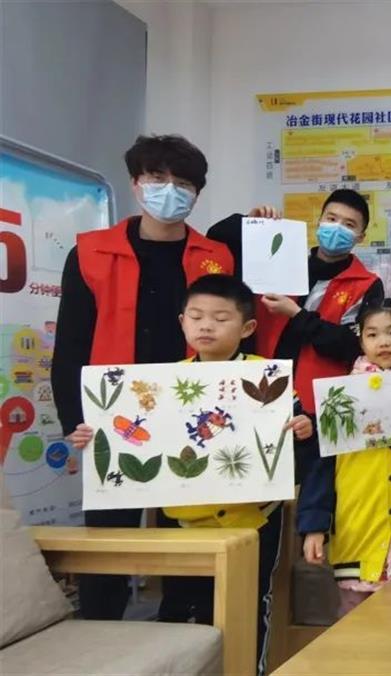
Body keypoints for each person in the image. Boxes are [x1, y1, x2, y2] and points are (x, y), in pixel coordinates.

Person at [67, 275, 313, 675]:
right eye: (196, 317)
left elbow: (300, 449)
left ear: (247, 328)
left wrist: (303, 430)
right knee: (179, 609)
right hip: (181, 523)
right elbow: (134, 436)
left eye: (220, 318)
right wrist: (95, 435)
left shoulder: (269, 378)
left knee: (248, 609)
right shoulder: (158, 383)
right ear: (182, 322)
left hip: (253, 522)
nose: (206, 326)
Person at [51, 134, 234, 621]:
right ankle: (99, 634)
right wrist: (74, 420)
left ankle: (183, 630)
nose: (169, 190)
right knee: (109, 540)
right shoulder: (91, 252)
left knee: (187, 534)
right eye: (157, 178)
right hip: (114, 416)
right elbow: (70, 346)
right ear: (135, 183)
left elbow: (234, 332)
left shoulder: (216, 256)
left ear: (197, 193)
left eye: (183, 183)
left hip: (191, 412)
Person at [298, 299, 391, 616]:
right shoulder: (340, 397)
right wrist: (314, 526)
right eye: (372, 334)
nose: (383, 342)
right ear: (361, 340)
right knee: (354, 623)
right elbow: (321, 467)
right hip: (357, 526)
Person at [206, 190, 385, 416]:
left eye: (349, 224)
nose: (337, 228)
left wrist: (298, 316)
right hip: (261, 388)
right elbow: (215, 237)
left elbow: (355, 345)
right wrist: (250, 224)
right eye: (331, 219)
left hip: (323, 402)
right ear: (319, 222)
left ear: (360, 237)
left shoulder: (366, 284)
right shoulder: (283, 262)